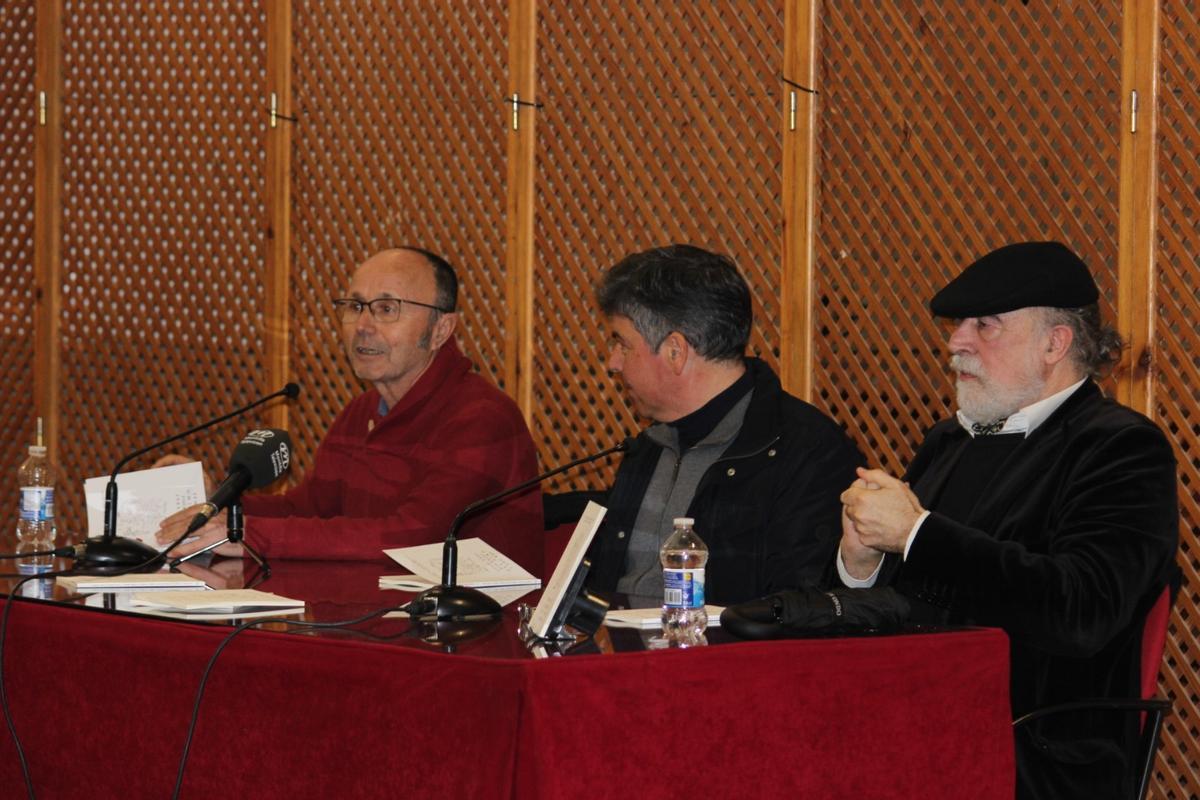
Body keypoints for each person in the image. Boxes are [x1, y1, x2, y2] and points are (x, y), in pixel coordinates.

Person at [837, 241, 1179, 800]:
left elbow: (1081, 610)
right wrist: (860, 564)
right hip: (911, 720)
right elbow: (900, 602)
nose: (956, 342)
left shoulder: (1120, 448)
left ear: (1055, 342)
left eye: (984, 325)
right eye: (958, 325)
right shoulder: (950, 441)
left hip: (1036, 747)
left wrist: (917, 534)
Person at [154, 247, 543, 575]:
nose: (363, 325)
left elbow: (411, 538)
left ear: (441, 329)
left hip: (472, 641)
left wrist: (247, 533)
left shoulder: (481, 419)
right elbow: (307, 512)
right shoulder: (362, 412)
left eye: (387, 309)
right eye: (355, 306)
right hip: (369, 622)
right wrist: (217, 502)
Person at [549, 244, 862, 607]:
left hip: (720, 659)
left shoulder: (808, 454)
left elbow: (802, 608)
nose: (612, 363)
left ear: (675, 351)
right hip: (617, 656)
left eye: (621, 343)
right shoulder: (649, 445)